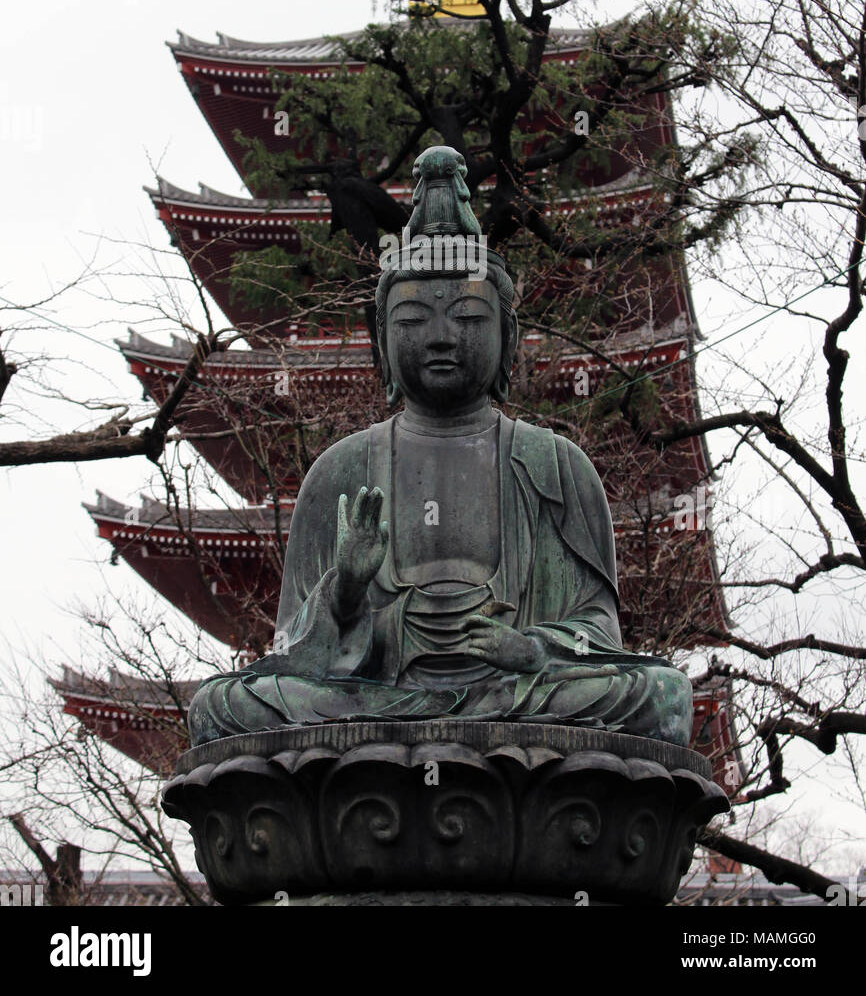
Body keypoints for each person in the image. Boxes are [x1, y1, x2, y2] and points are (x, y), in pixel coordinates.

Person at [188, 147, 692, 747]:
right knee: (226, 705)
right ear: (381, 343)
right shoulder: (339, 471)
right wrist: (346, 588)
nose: (442, 337)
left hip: (518, 696)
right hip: (373, 700)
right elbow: (294, 649)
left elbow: (598, 628)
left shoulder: (556, 465)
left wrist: (534, 648)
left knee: (660, 696)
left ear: (508, 341)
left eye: (469, 316)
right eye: (413, 321)